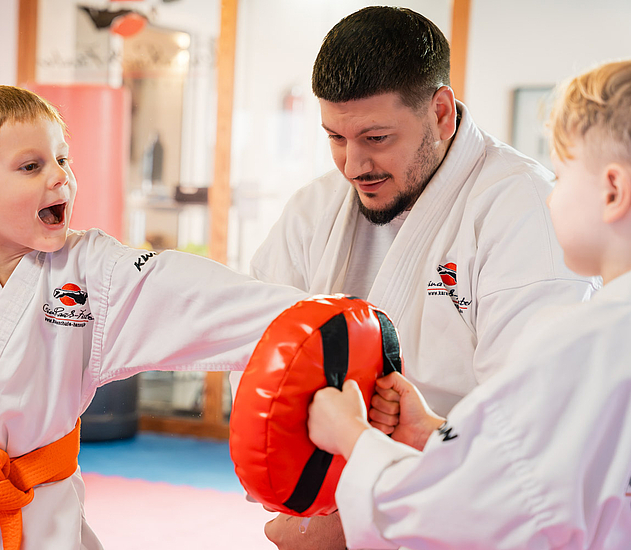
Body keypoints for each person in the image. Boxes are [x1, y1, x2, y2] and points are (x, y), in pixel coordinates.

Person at [0, 85, 308, 550]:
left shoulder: (91, 269)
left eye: (64, 160)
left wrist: (313, 314)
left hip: (40, 505)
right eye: (31, 166)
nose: (60, 177)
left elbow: (186, 290)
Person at [248, 6, 598, 549]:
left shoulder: (522, 207)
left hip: (461, 519)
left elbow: (530, 433)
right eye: (336, 138)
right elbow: (260, 352)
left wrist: (363, 505)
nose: (352, 163)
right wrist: (305, 493)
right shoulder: (312, 208)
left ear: (440, 112)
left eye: (376, 137)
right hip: (326, 500)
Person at [306, 59, 631, 549]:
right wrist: (436, 433)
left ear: (613, 191)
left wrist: (349, 434)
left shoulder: (588, 345)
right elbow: (542, 476)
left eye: (562, 179)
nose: (549, 199)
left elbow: (464, 516)